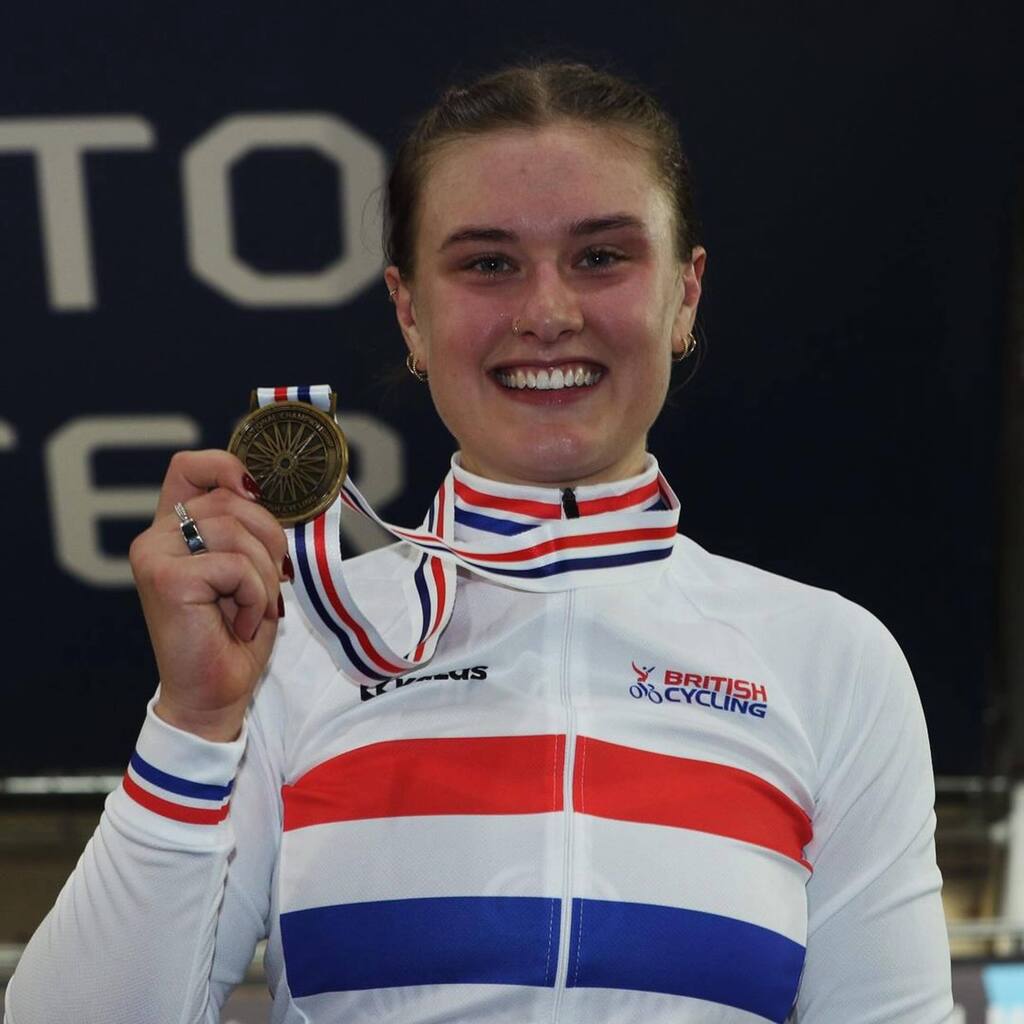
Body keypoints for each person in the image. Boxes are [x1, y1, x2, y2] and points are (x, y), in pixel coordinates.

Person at [6, 60, 954, 1024]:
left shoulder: (830, 660)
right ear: (411, 312)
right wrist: (193, 720)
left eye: (601, 257)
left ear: (685, 296)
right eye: (488, 263)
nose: (548, 313)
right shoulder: (293, 636)